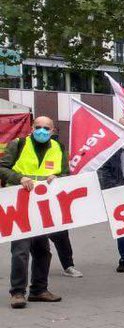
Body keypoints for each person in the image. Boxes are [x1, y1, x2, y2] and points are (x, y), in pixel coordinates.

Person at [2, 116, 66, 308]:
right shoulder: (19, 144)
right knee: (20, 251)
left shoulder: (58, 148)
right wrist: (19, 178)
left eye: (46, 128)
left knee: (42, 251)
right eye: (38, 127)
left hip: (42, 208)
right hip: (20, 205)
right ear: (31, 128)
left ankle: (39, 290)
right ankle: (17, 293)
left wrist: (58, 177)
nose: (41, 131)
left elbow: (66, 173)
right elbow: (2, 168)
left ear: (53, 131)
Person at [99, 115, 124, 272]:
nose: (121, 129)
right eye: (119, 126)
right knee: (123, 226)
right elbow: (103, 170)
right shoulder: (111, 147)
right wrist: (112, 188)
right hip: (119, 191)